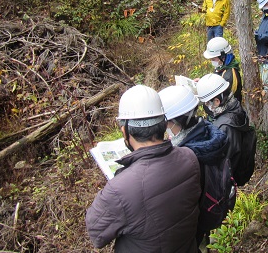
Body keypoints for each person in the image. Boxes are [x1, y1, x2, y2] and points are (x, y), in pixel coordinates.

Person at [85, 85, 201, 253]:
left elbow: (96, 234)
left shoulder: (119, 189)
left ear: (125, 131)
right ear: (163, 124)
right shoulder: (189, 156)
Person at [158, 85, 229, 250]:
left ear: (176, 122)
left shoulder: (186, 154)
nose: (165, 128)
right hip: (211, 207)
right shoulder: (207, 131)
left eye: (166, 123)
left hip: (196, 220)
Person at [196, 74, 248, 178]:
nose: (206, 106)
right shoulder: (234, 105)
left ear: (217, 101)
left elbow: (221, 162)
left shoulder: (224, 127)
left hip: (226, 179)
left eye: (207, 103)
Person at [203, 36, 243, 102]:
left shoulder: (230, 76)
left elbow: (221, 100)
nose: (211, 61)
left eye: (213, 59)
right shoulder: (221, 67)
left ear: (223, 57)